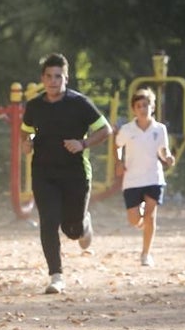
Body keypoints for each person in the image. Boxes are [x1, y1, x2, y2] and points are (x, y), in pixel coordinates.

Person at [20, 52, 111, 295]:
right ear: (42, 78)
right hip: (43, 173)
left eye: (58, 76)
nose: (53, 81)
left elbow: (105, 129)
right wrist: (26, 142)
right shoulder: (35, 105)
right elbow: (26, 130)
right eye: (48, 76)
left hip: (75, 173)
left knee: (73, 231)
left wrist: (82, 144)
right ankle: (56, 276)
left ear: (66, 78)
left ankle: (83, 224)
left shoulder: (79, 103)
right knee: (48, 222)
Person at [115, 88, 176, 267]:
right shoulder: (127, 129)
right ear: (134, 109)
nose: (143, 109)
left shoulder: (160, 129)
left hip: (153, 178)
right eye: (139, 106)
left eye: (146, 105)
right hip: (132, 179)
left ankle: (146, 254)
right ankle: (140, 222)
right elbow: (117, 145)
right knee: (135, 220)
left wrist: (168, 157)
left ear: (153, 107)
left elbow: (163, 149)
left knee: (150, 217)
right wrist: (118, 162)